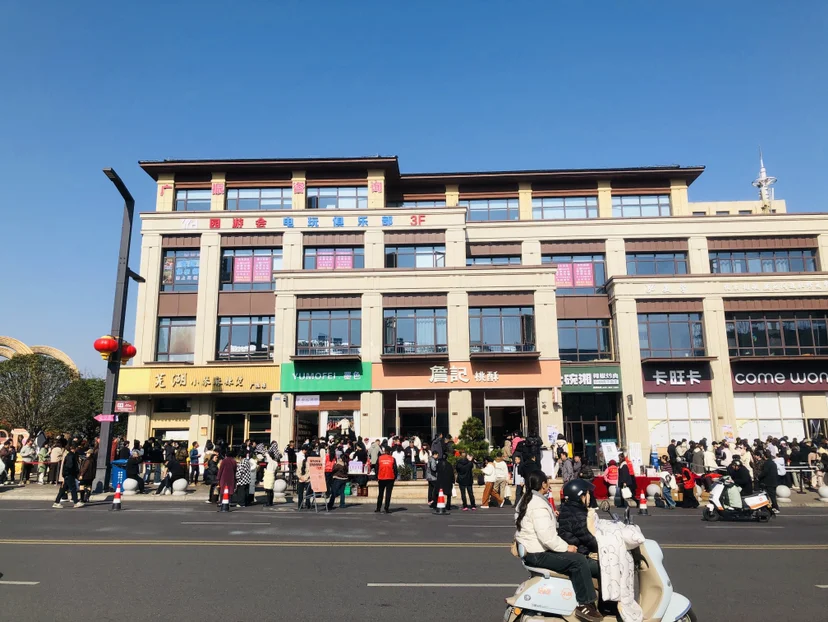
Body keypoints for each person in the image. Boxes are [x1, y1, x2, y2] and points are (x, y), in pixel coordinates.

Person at [515, 471, 602, 622]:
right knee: (579, 561)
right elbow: (547, 537)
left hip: (532, 551)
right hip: (538, 553)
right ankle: (586, 605)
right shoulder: (538, 505)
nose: (548, 485)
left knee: (578, 559)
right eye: (547, 482)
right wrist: (566, 547)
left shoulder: (527, 500)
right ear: (543, 484)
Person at [557, 479, 599, 557]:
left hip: (577, 549)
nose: (589, 497)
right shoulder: (577, 514)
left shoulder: (569, 508)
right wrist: (602, 546)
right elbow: (589, 539)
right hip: (579, 553)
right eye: (587, 494)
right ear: (581, 496)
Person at [53, 444, 83, 508]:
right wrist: (74, 473)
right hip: (70, 474)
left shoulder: (69, 455)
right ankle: (76, 502)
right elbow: (70, 466)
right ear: (74, 449)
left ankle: (56, 502)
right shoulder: (71, 456)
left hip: (67, 474)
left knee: (63, 489)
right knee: (73, 488)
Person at [375, 447, 397, 514]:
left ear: (385, 451)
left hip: (381, 478)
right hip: (390, 478)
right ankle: (386, 508)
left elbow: (376, 468)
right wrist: (395, 477)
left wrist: (377, 476)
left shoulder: (379, 458)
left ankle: (378, 508)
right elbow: (395, 469)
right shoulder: (392, 459)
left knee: (380, 494)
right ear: (390, 452)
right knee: (388, 494)